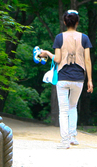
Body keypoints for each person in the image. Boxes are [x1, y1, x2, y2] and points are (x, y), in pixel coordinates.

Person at [36, 9, 92, 149]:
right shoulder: (84, 38)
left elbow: (58, 59)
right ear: (77, 22)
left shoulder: (59, 38)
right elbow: (87, 60)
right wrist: (90, 80)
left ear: (65, 22)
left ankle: (65, 141)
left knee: (63, 110)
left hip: (63, 77)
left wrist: (48, 53)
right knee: (73, 106)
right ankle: (73, 137)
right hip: (79, 78)